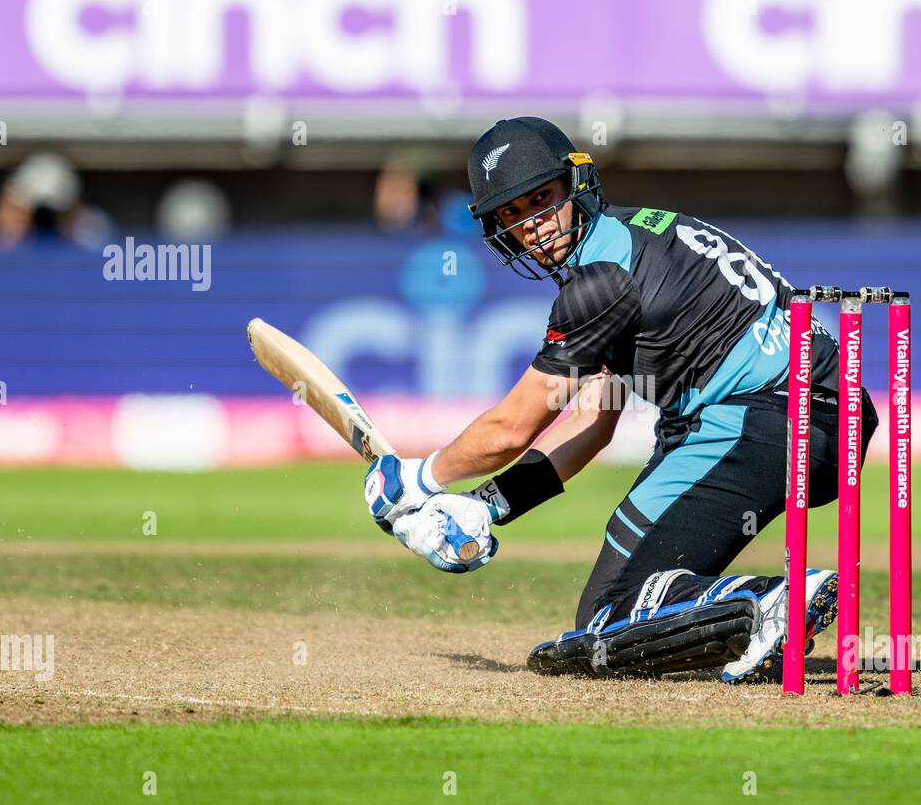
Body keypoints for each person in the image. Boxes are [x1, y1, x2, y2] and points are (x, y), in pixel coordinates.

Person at [364, 117, 877, 683]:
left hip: (763, 418)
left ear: (575, 184)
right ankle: (751, 611)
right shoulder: (633, 238)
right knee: (605, 622)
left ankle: (770, 599)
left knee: (611, 620)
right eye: (512, 214)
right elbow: (593, 419)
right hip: (819, 418)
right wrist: (487, 505)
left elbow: (512, 427)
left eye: (542, 200)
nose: (534, 227)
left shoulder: (599, 283)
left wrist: (420, 481)